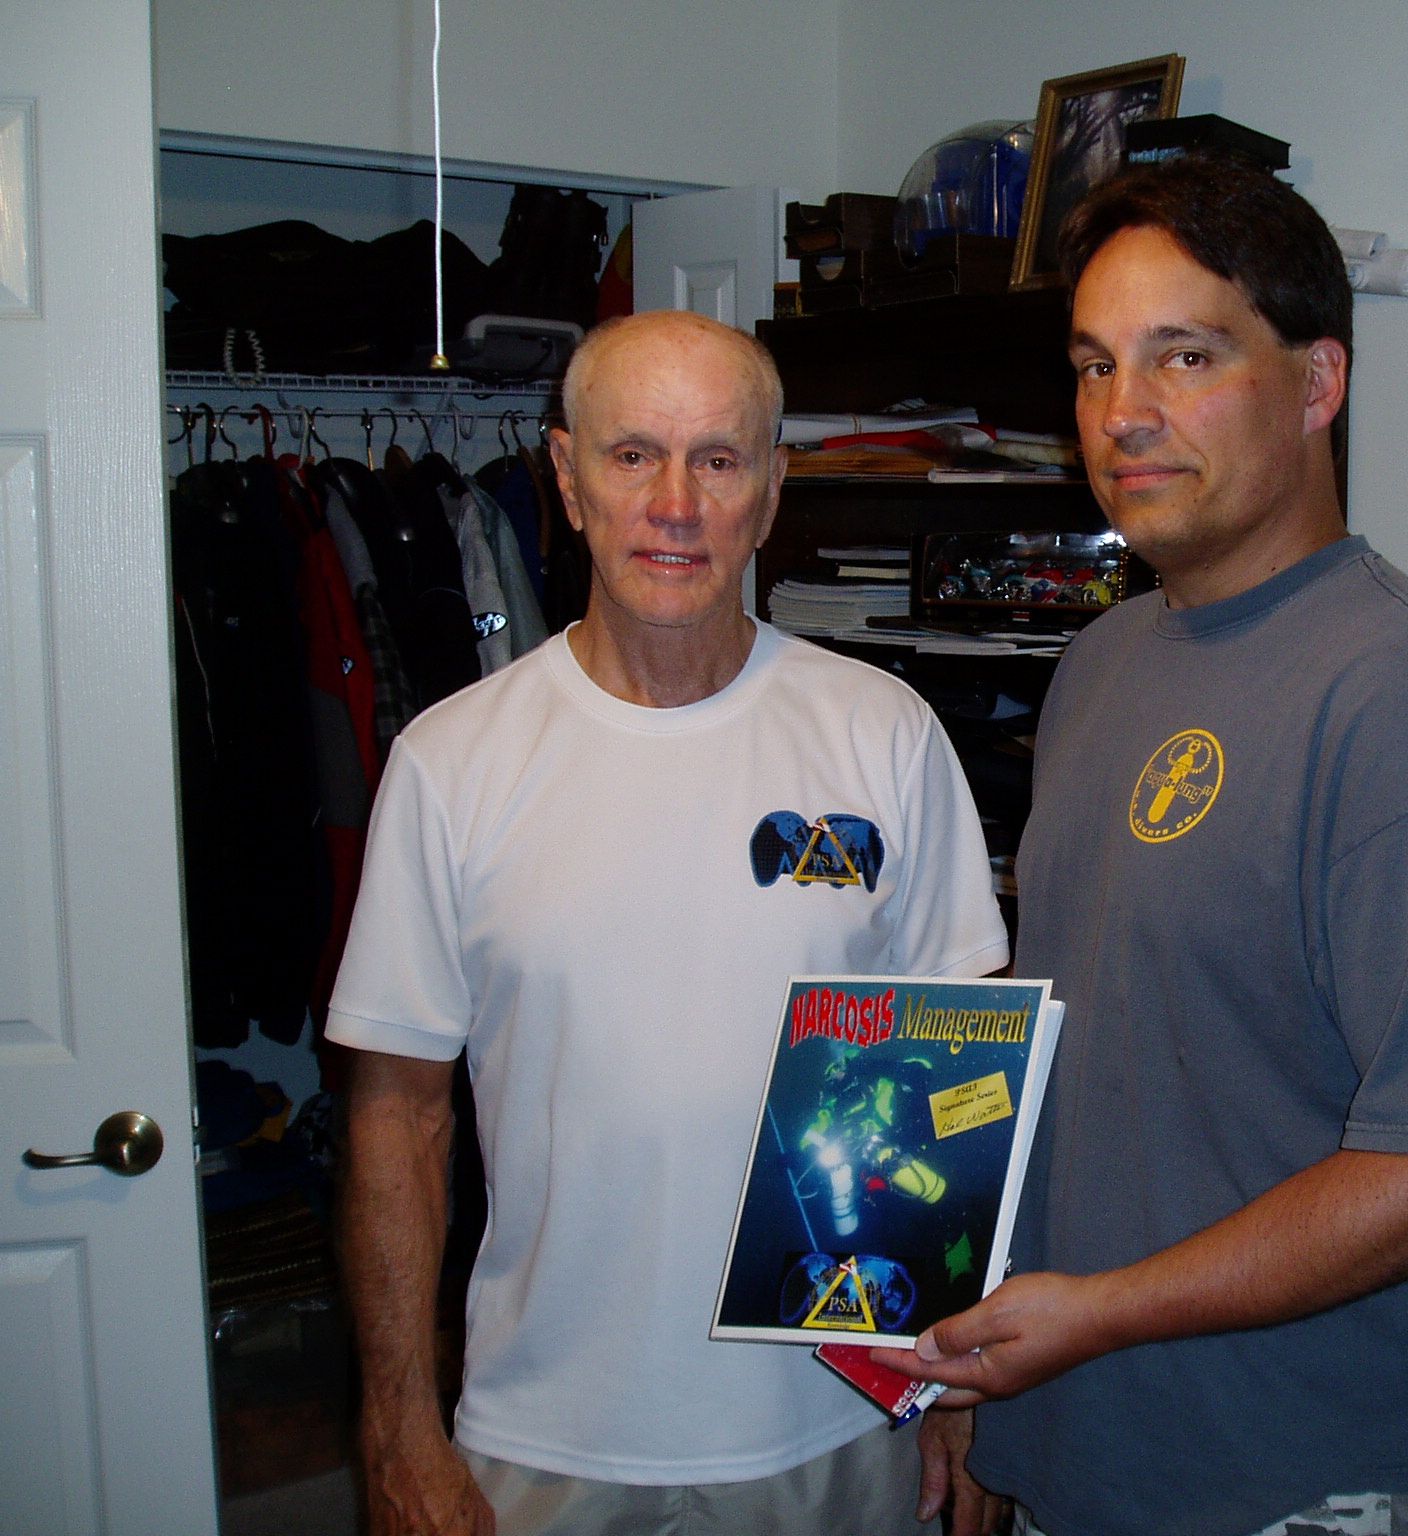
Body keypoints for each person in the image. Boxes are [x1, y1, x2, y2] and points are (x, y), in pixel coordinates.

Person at [876, 156, 1408, 1536]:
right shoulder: (1103, 662)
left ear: (1317, 384)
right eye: (1094, 365)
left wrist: (1096, 1315)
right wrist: (967, 1342)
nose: (1121, 413)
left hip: (1309, 1481)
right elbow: (1078, 1043)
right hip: (1085, 1440)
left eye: (1183, 356)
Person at [329, 309, 1010, 1536]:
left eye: (718, 459)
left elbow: (958, 1087)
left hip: (834, 1420)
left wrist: (955, 1386)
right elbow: (397, 1116)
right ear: (567, 479)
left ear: (771, 488)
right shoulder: (451, 763)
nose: (676, 506)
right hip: (541, 1435)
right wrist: (396, 1424)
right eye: (633, 454)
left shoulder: (883, 735)